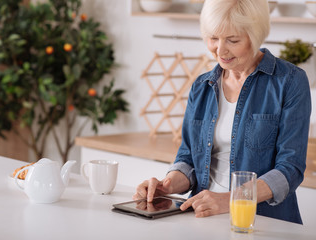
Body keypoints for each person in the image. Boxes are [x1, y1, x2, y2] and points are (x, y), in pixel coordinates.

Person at [133, 0, 311, 224]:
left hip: (262, 221)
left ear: (255, 36)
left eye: (233, 40)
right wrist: (166, 185)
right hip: (202, 217)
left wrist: (230, 200)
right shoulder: (202, 86)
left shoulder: (289, 81)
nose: (220, 49)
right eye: (213, 38)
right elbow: (188, 158)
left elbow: (290, 169)